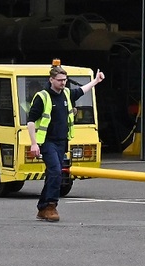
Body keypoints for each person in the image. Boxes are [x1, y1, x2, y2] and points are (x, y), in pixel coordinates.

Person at [26, 65, 105, 222]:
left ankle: (42, 207)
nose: (63, 83)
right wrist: (34, 144)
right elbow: (30, 121)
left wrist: (96, 81)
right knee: (56, 171)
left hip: (62, 142)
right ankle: (51, 206)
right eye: (60, 80)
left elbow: (82, 90)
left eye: (65, 80)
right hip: (47, 142)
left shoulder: (67, 94)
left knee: (52, 174)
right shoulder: (43, 97)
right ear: (51, 80)